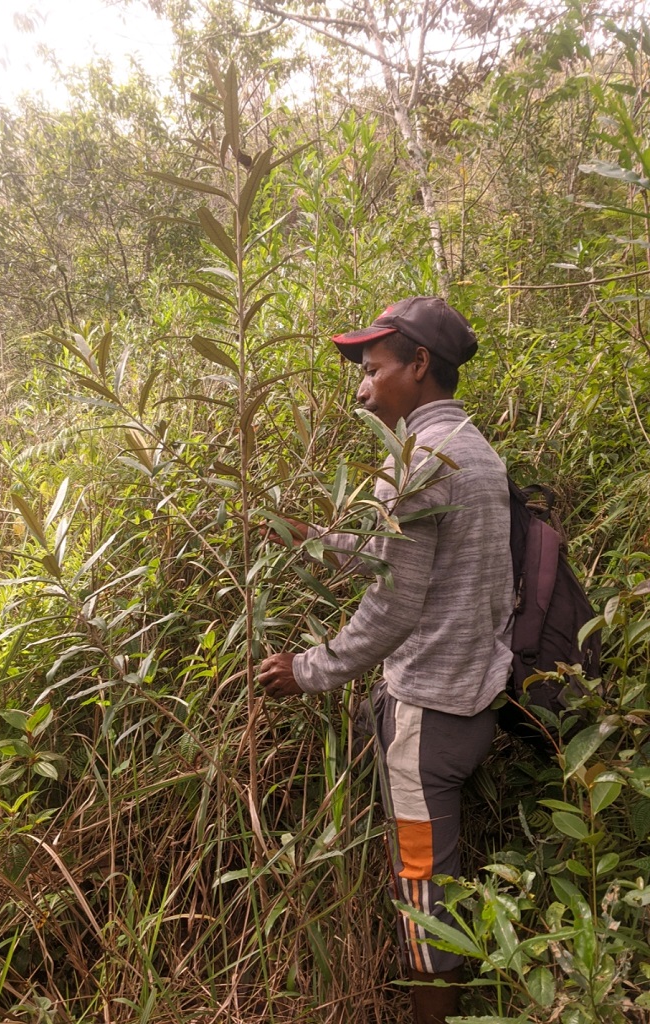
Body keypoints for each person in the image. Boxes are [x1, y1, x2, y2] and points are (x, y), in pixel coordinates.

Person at [258, 296, 515, 1024]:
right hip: (472, 702)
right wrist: (311, 537)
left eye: (372, 370)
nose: (362, 388)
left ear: (419, 365)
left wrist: (307, 669)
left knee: (423, 895)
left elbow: (393, 609)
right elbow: (406, 565)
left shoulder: (412, 465)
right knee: (436, 882)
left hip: (427, 718)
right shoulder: (473, 451)